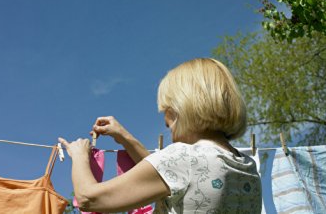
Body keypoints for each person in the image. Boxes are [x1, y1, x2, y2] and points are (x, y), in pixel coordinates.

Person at [59, 58, 262, 213]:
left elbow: (89, 198)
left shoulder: (183, 156)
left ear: (183, 107)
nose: (165, 120)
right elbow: (172, 175)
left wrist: (79, 156)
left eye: (168, 110)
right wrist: (124, 137)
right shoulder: (247, 166)